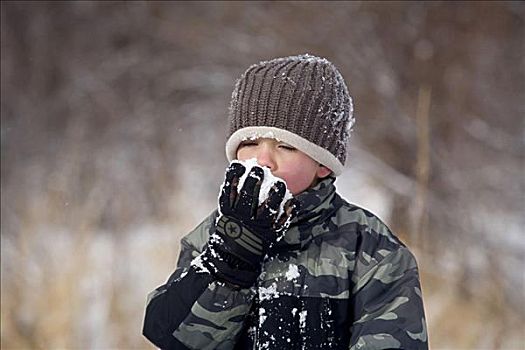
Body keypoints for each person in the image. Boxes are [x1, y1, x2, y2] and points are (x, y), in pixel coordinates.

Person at [143, 54, 428, 350]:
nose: (263, 160)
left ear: (324, 164)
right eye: (250, 143)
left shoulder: (369, 248)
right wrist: (231, 260)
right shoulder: (213, 234)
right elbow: (172, 336)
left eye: (286, 146)